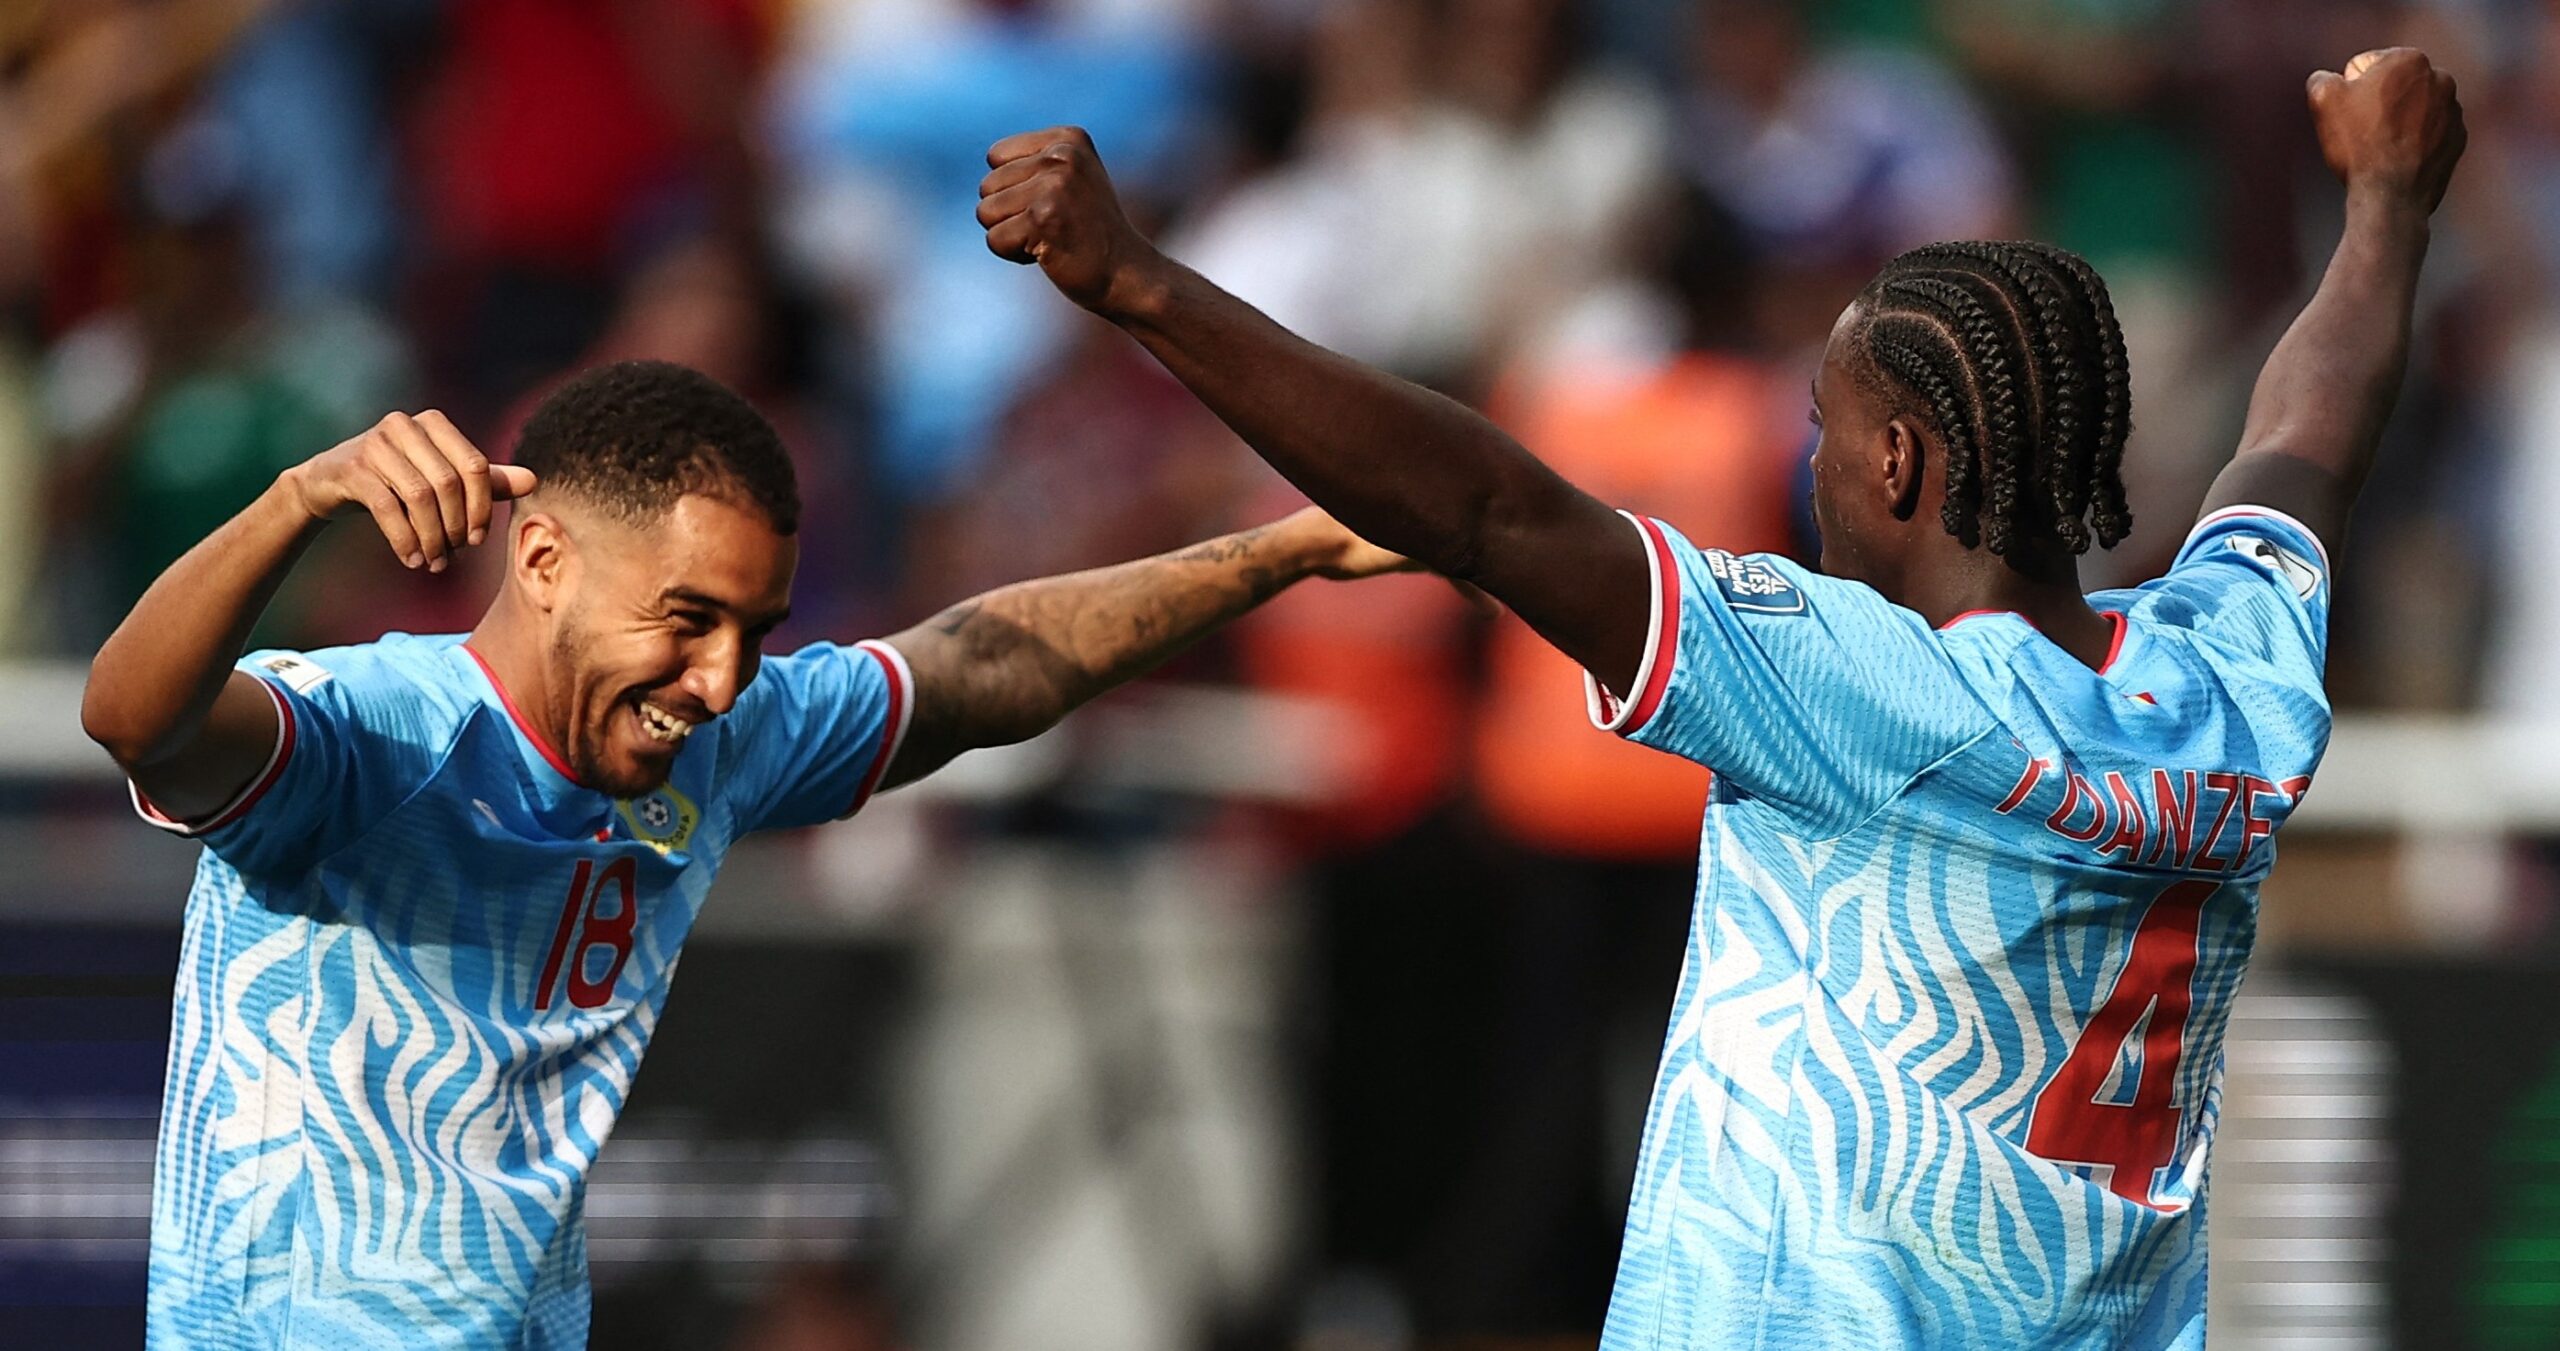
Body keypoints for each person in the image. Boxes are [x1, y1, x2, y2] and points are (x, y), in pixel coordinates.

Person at [978, 46, 2464, 1349]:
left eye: (1825, 431)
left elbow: (1495, 512)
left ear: (1897, 464)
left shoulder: (1873, 695)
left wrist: (1139, 284)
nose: (1805, 469)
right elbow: (2306, 440)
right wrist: (2388, 209)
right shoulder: (2226, 677)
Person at [79, 358, 1410, 1347]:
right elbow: (135, 717)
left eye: (755, 630)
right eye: (688, 618)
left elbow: (975, 668)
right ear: (541, 558)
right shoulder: (366, 738)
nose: (721, 678)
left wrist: (1280, 552)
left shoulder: (711, 743)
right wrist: (298, 501)